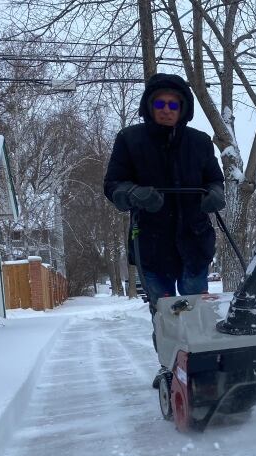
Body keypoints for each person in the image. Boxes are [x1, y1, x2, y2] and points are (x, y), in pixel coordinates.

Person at [104, 73, 225, 322]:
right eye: (160, 104)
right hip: (152, 246)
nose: (166, 110)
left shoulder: (200, 142)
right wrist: (134, 194)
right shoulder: (129, 140)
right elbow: (113, 185)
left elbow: (214, 180)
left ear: (183, 108)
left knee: (196, 315)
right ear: (150, 107)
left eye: (173, 104)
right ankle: (168, 361)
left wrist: (215, 194)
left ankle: (198, 359)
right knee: (165, 317)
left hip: (195, 244)